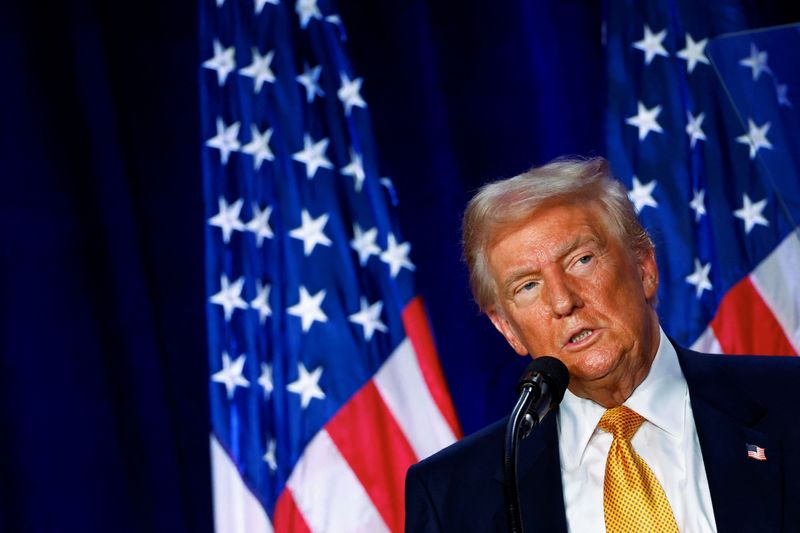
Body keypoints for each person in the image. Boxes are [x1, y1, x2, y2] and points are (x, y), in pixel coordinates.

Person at [404, 157, 800, 532]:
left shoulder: (789, 402)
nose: (563, 301)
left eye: (582, 260)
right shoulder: (451, 496)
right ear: (507, 327)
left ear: (644, 267)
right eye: (528, 286)